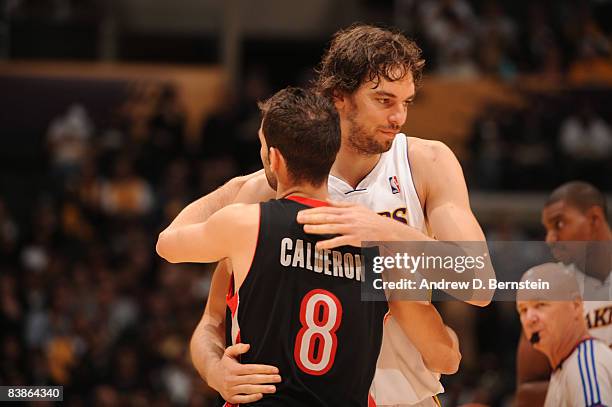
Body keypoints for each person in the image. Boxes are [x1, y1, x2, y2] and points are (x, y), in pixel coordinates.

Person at [162, 24, 492, 406]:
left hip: (405, 395)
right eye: (384, 100)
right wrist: (215, 370)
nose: (399, 116)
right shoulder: (277, 183)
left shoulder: (427, 162)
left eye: (407, 102)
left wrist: (383, 229)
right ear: (340, 98)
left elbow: (480, 284)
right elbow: (211, 318)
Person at [516, 181, 612, 407]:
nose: (550, 238)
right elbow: (527, 389)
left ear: (594, 219)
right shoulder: (553, 288)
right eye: (547, 228)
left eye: (559, 224)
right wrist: (588, 378)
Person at [516, 263, 612, 407]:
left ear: (575, 305)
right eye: (523, 310)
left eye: (540, 304)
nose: (530, 319)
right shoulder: (567, 365)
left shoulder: (585, 366)